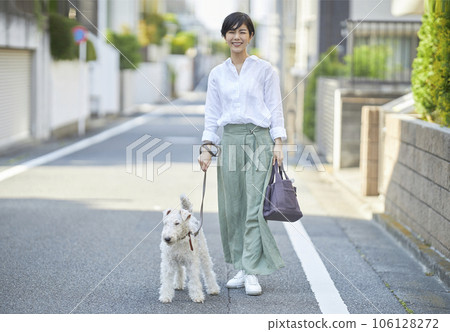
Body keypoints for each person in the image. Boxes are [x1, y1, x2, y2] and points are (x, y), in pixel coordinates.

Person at [198, 12, 286, 296]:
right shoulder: (217, 74)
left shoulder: (264, 70)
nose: (237, 37)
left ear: (250, 36)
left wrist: (279, 142)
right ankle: (241, 265)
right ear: (224, 36)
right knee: (232, 206)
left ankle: (252, 270)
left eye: (243, 31)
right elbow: (212, 114)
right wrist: (207, 148)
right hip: (231, 139)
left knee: (252, 206)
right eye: (231, 32)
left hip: (259, 139)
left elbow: (275, 107)